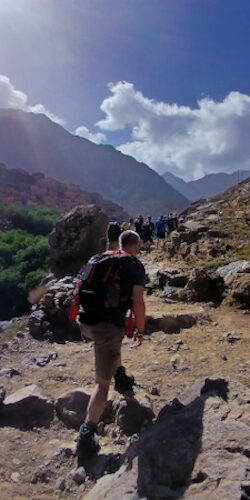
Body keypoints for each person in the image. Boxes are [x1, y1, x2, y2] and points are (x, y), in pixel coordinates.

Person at [76, 230, 146, 459]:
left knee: (113, 346)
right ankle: (86, 434)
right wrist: (141, 329)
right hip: (105, 327)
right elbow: (138, 302)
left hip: (84, 321)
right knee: (101, 385)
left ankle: (121, 376)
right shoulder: (134, 265)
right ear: (135, 245)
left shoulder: (102, 258)